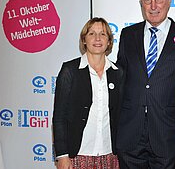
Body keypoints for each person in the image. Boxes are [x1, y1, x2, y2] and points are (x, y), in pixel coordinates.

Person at [115, 0, 175, 169]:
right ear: (141, 2)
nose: (153, 6)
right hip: (130, 134)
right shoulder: (128, 35)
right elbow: (120, 80)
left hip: (166, 134)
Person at [52, 17, 124, 169]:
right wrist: (62, 156)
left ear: (109, 41)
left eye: (103, 34)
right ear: (84, 40)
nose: (97, 38)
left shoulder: (119, 73)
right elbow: (59, 117)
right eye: (92, 33)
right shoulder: (70, 71)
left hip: (110, 155)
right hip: (77, 155)